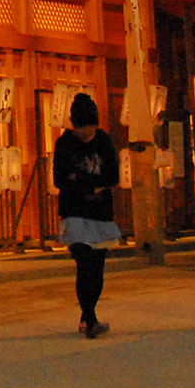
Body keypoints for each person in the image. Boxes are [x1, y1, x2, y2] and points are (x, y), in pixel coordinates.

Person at [53, 93, 120, 338]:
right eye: (80, 128)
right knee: (83, 263)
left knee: (97, 267)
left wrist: (80, 180)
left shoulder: (104, 141)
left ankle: (87, 314)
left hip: (100, 214)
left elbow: (112, 177)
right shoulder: (64, 143)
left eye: (88, 128)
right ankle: (90, 318)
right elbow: (60, 179)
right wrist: (92, 184)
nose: (84, 133)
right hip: (74, 213)